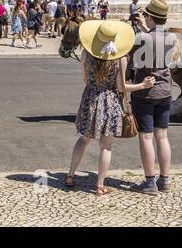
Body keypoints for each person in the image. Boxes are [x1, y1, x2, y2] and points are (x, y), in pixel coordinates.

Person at [65, 19, 153, 195]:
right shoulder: (120, 59)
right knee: (106, 146)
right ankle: (99, 185)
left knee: (84, 139)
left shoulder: (85, 55)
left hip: (90, 98)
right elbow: (121, 87)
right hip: (109, 101)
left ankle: (70, 175)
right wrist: (142, 85)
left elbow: (85, 79)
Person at [130, 0, 176, 195]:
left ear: (150, 17)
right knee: (162, 136)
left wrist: (141, 32)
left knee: (146, 138)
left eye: (146, 16)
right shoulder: (171, 37)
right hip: (165, 90)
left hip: (146, 92)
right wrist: (145, 28)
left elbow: (135, 63)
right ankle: (164, 179)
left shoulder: (142, 38)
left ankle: (149, 182)